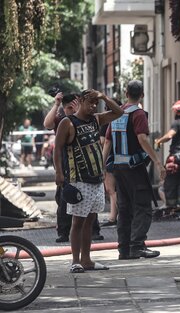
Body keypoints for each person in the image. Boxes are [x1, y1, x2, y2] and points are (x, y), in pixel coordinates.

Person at [54, 89, 123, 273]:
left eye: (95, 104)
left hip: (97, 180)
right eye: (90, 103)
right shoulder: (67, 123)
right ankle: (75, 261)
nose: (93, 107)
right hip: (79, 180)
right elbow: (57, 149)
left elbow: (119, 112)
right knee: (77, 222)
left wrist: (104, 97)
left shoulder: (96, 119)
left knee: (90, 221)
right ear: (80, 101)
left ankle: (87, 260)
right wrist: (59, 174)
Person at [103, 80, 165, 260]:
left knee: (125, 208)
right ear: (142, 95)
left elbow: (107, 142)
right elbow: (143, 139)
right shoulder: (138, 114)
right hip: (135, 168)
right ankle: (137, 246)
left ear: (125, 92)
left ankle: (124, 249)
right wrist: (158, 162)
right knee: (143, 207)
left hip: (118, 169)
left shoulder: (116, 114)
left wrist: (102, 167)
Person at [44, 93, 104, 243]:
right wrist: (57, 104)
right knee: (65, 199)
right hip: (66, 164)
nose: (72, 110)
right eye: (69, 107)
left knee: (89, 203)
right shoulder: (63, 121)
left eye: (75, 106)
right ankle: (64, 231)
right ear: (64, 108)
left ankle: (93, 231)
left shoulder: (86, 119)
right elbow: (48, 124)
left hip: (86, 168)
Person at [154, 100, 180, 209]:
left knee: (171, 180)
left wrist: (159, 141)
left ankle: (171, 206)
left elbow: (170, 136)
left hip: (175, 157)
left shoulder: (177, 123)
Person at [100, 98, 122, 227]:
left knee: (111, 189)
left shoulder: (107, 122)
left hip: (109, 158)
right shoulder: (123, 119)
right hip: (122, 158)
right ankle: (114, 217)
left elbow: (104, 142)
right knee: (117, 190)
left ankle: (114, 217)